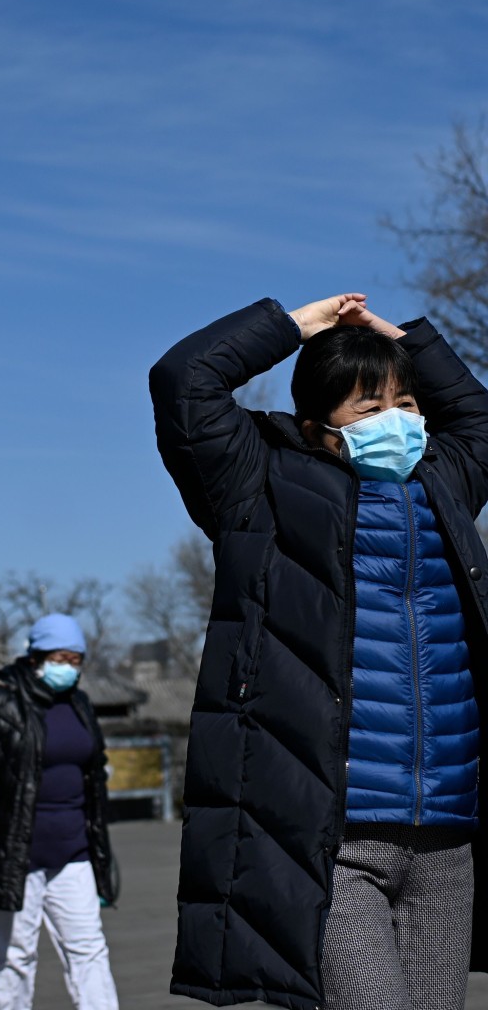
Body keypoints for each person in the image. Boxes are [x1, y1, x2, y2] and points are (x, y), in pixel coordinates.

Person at [149, 293, 488, 1010]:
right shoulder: (263, 488)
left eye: (407, 405)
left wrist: (397, 340)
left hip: (446, 834)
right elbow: (186, 382)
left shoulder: (446, 484)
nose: (397, 422)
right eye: (370, 408)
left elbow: (478, 417)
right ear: (317, 427)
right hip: (333, 839)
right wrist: (299, 326)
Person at [0, 612, 119, 1010]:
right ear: (36, 657)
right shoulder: (1, 700)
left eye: (75, 661)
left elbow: (94, 765)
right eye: (60, 658)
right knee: (12, 958)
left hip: (73, 850)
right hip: (16, 853)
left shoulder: (79, 704)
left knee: (89, 948)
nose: (68, 668)